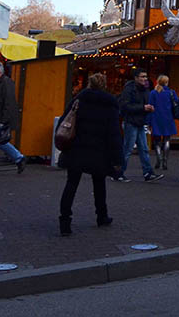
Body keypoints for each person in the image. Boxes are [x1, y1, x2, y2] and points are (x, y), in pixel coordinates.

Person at [57, 72, 123, 236]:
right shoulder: (110, 105)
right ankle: (101, 215)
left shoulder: (79, 100)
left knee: (71, 184)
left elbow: (64, 121)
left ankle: (65, 220)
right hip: (99, 151)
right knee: (99, 183)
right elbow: (114, 134)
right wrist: (117, 158)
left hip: (77, 148)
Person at [116, 69, 162, 183]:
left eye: (145, 76)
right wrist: (143, 108)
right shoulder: (129, 90)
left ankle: (148, 173)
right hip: (131, 121)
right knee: (128, 148)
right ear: (136, 78)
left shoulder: (145, 90)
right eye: (142, 76)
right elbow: (124, 106)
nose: (145, 79)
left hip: (140, 121)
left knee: (144, 148)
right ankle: (119, 173)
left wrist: (148, 108)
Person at [147, 74, 178, 172]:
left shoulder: (153, 93)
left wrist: (148, 121)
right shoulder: (171, 92)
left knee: (157, 140)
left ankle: (158, 158)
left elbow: (150, 106)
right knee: (167, 139)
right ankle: (165, 160)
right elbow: (176, 103)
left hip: (156, 117)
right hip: (168, 117)